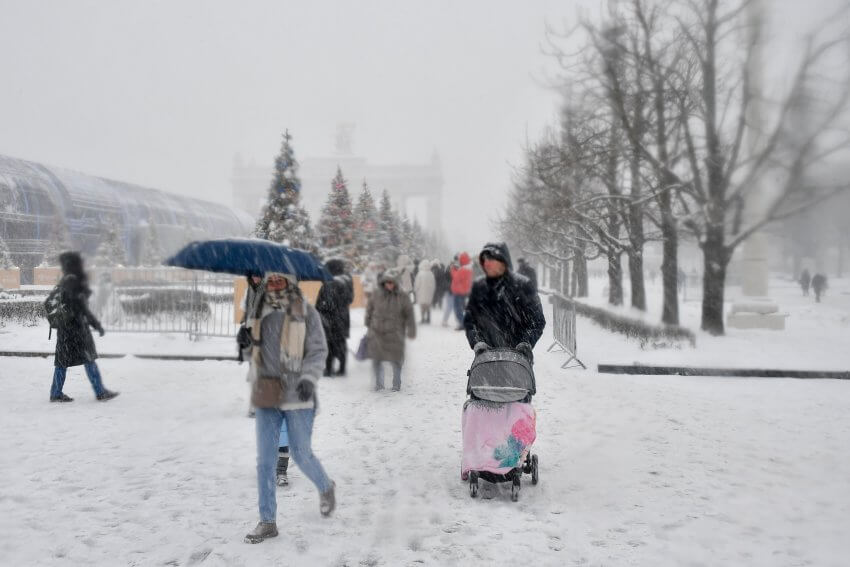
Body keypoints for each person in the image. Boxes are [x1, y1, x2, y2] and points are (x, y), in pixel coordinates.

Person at [244, 272, 335, 544]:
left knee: (300, 453)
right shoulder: (257, 312)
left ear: (289, 283)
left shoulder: (306, 312)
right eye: (269, 282)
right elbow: (254, 354)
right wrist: (246, 343)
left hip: (298, 392)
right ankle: (268, 521)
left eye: (279, 281)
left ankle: (326, 486)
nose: (273, 285)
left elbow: (318, 350)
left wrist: (308, 378)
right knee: (265, 461)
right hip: (266, 391)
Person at [48, 251, 119, 403]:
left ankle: (55, 393)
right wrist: (96, 325)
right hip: (77, 331)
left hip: (65, 331)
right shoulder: (74, 281)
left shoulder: (65, 280)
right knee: (89, 359)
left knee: (62, 362)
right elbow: (82, 308)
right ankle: (100, 391)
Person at [463, 243, 546, 361]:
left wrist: (525, 342)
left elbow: (537, 320)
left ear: (503, 261)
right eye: (485, 260)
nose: (486, 263)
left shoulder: (523, 285)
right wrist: (477, 342)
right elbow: (469, 320)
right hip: (486, 359)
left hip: (518, 360)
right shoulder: (479, 287)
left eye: (491, 259)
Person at [365, 269, 416, 392]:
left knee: (396, 360)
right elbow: (369, 309)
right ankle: (378, 383)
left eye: (391, 283)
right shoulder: (376, 294)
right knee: (377, 359)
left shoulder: (402, 296)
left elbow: (409, 313)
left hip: (395, 332)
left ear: (395, 283)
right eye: (387, 283)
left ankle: (396, 384)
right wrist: (368, 322)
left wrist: (411, 329)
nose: (389, 285)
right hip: (378, 331)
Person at [315, 259, 354, 377]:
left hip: (331, 318)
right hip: (343, 317)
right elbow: (350, 299)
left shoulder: (331, 282)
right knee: (341, 343)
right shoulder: (347, 280)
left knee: (329, 343)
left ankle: (328, 368)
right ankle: (342, 368)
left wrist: (318, 309)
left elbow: (326, 303)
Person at [450, 252, 474, 331]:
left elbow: (456, 278)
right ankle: (464, 323)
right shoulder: (468, 269)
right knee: (461, 308)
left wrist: (453, 269)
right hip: (463, 291)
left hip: (458, 292)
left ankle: (462, 324)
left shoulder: (463, 269)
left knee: (458, 309)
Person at [414, 259, 436, 324]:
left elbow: (417, 283)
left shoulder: (420, 273)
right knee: (428, 306)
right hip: (429, 294)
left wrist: (415, 290)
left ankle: (423, 319)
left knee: (422, 306)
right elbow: (433, 284)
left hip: (421, 293)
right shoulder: (431, 274)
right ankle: (428, 319)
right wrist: (432, 292)